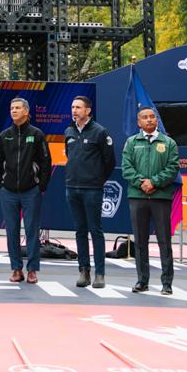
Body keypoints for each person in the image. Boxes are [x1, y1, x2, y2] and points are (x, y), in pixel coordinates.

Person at [121, 106, 180, 294]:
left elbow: (172, 168)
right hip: (137, 197)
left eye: (152, 117)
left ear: (156, 120)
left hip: (160, 197)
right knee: (140, 241)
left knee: (164, 241)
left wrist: (154, 182)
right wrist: (141, 183)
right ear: (138, 122)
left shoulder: (169, 143)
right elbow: (126, 167)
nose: (149, 120)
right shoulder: (131, 142)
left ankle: (167, 283)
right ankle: (142, 281)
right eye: (144, 118)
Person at [0, 97, 50, 284]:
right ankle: (16, 269)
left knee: (32, 230)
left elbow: (45, 162)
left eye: (18, 108)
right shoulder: (4, 135)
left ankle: (32, 270)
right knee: (12, 231)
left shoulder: (37, 134)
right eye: (12, 108)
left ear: (26, 111)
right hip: (8, 191)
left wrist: (40, 186)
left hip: (31, 191)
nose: (14, 111)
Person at [63, 95, 114, 288]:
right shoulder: (68, 131)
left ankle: (100, 273)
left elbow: (109, 161)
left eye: (78, 107)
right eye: (72, 107)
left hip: (92, 189)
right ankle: (84, 271)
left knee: (96, 230)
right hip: (72, 188)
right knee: (80, 231)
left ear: (88, 110)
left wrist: (97, 180)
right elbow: (69, 156)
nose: (74, 110)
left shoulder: (100, 132)